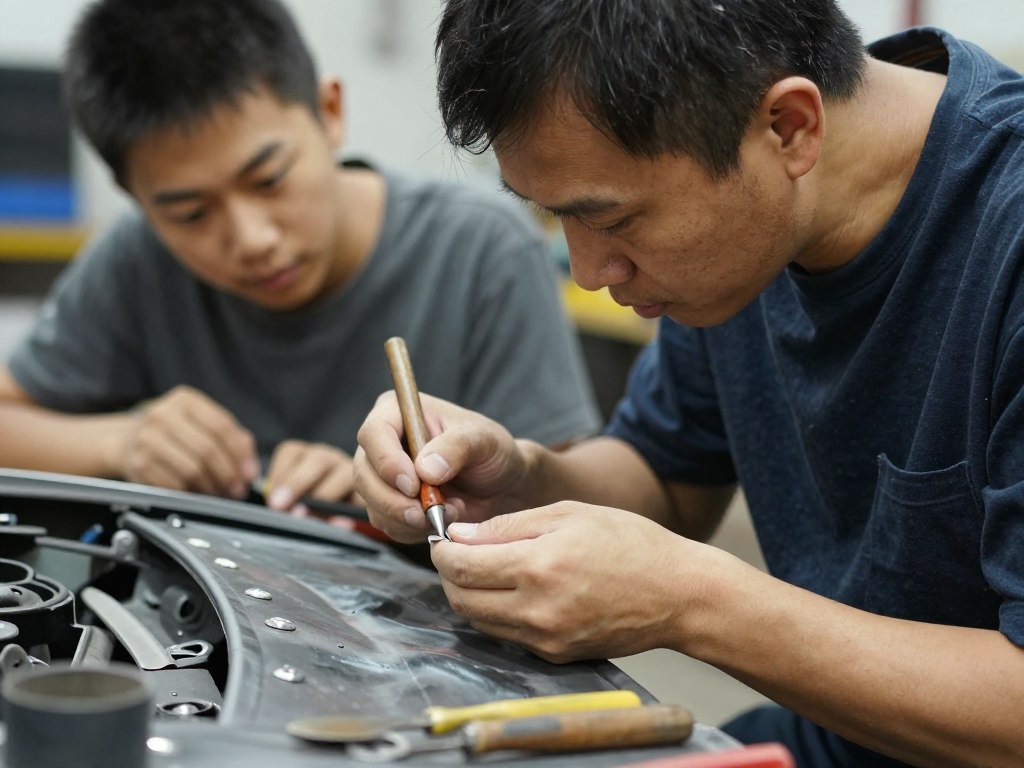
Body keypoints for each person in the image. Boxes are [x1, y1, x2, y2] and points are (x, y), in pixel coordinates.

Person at [353, 1, 1024, 765]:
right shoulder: (751, 224)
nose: (589, 272)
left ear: (789, 128)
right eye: (556, 218)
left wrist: (695, 603)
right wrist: (516, 480)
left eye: (613, 220)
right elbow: (666, 479)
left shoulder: (1006, 236)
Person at [0, 0, 600, 518]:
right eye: (190, 214)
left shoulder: (479, 251)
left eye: (268, 180)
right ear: (137, 201)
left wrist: (388, 500)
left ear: (330, 112)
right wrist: (121, 442)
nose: (253, 238)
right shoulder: (136, 256)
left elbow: (571, 505)